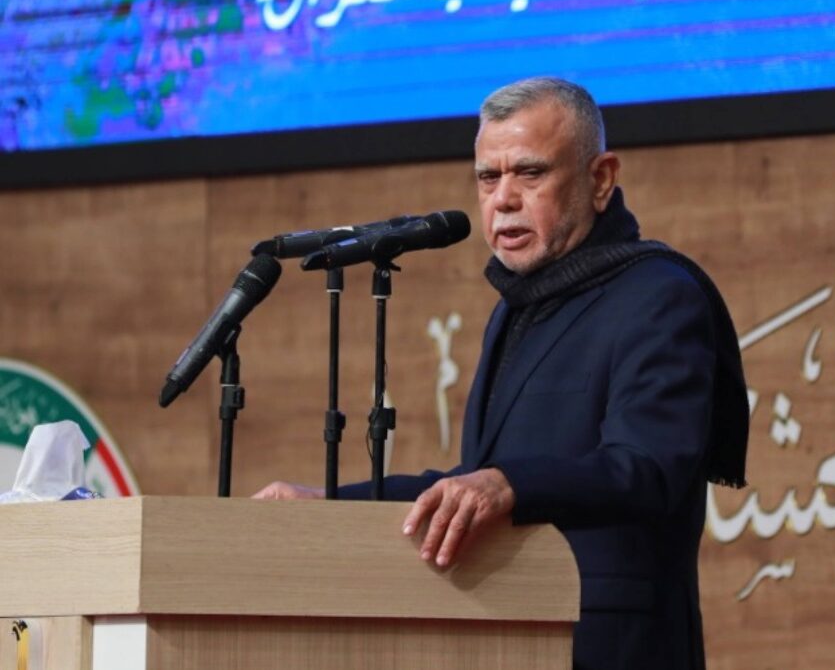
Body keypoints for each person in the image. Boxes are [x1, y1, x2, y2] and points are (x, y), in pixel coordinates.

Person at [255, 77, 749, 670]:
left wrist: (509, 483)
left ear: (600, 179)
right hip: (505, 640)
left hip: (611, 646)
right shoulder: (517, 307)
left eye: (530, 173)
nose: (504, 199)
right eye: (488, 178)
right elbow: (474, 486)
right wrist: (330, 502)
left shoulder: (658, 296)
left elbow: (647, 467)